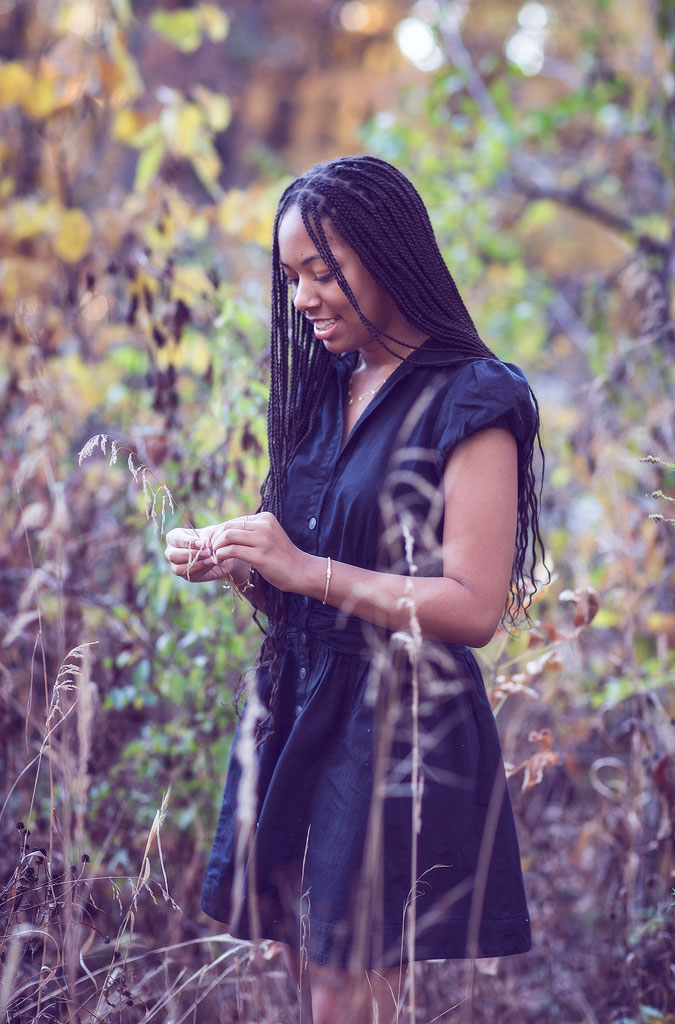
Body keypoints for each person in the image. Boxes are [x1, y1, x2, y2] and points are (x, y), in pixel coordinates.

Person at [164, 155, 544, 1024]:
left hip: (395, 725)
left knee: (345, 986)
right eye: (290, 277)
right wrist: (249, 567)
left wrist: (306, 570)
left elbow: (472, 607)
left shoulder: (471, 397)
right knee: (305, 965)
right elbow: (310, 585)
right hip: (302, 701)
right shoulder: (325, 389)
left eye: (323, 272)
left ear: (388, 254)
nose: (302, 297)